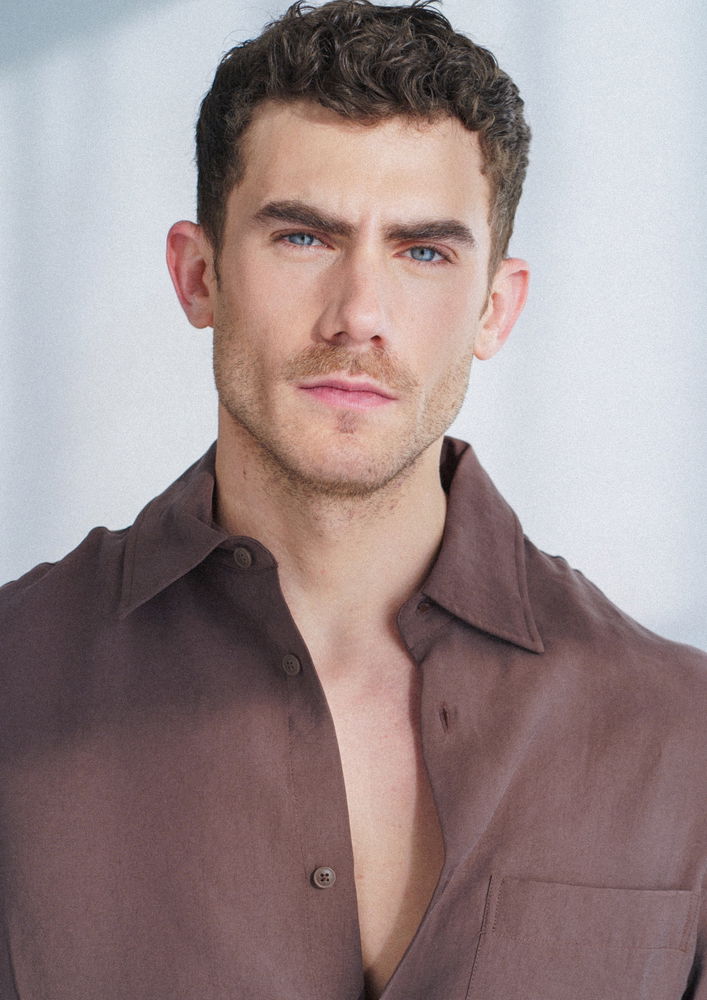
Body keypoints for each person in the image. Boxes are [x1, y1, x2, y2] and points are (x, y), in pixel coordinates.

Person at [0, 0, 704, 997]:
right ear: (197, 276)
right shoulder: (14, 683)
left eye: (423, 252)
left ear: (494, 308)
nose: (359, 315)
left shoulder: (679, 736)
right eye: (302, 237)